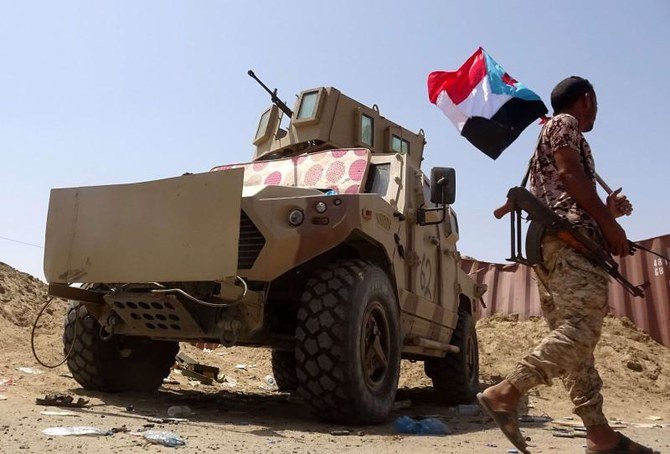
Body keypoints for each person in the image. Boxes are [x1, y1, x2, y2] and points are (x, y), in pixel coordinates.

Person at [478, 76, 659, 454]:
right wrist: (609, 225)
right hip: (567, 244)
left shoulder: (550, 136)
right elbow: (569, 175)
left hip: (553, 245)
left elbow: (564, 192)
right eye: (596, 103)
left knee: (577, 347)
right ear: (587, 99)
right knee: (581, 330)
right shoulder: (565, 123)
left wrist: (607, 215)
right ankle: (506, 392)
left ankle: (599, 435)